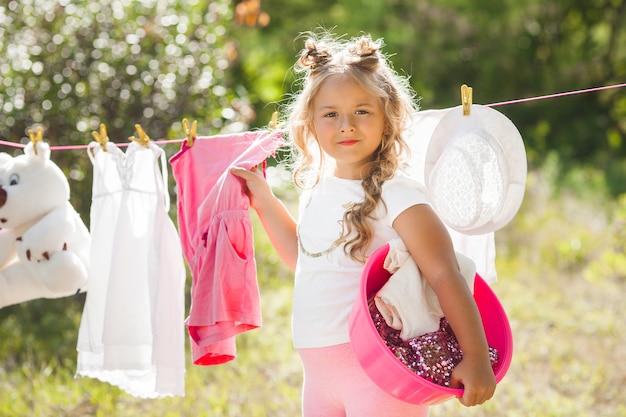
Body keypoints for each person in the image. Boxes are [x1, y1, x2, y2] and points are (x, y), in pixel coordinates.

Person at [230, 32, 496, 416]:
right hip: (318, 371)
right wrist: (265, 202)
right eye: (331, 114)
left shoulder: (400, 194)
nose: (346, 125)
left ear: (387, 118)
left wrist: (475, 357)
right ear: (310, 122)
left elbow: (444, 273)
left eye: (362, 111)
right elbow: (303, 259)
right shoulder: (317, 190)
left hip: (379, 371)